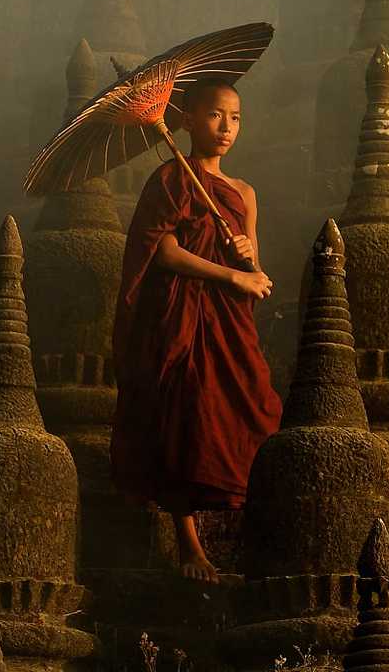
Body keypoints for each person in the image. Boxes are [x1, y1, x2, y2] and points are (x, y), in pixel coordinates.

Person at [109, 79, 282, 583]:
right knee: (186, 408)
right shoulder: (170, 178)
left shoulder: (244, 193)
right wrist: (228, 272)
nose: (225, 127)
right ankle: (190, 547)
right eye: (213, 116)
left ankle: (254, 537)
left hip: (229, 318)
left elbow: (256, 269)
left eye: (234, 118)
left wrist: (248, 260)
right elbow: (158, 251)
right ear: (186, 120)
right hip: (181, 309)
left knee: (253, 403)